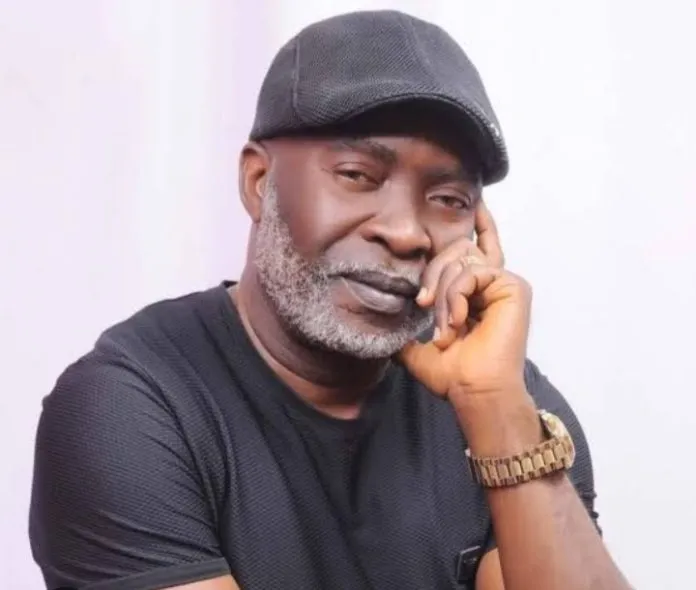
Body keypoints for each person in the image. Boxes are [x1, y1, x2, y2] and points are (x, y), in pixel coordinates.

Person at [29, 9, 631, 590]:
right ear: (259, 183)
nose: (406, 232)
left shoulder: (506, 399)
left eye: (448, 199)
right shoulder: (129, 408)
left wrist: (495, 409)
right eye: (357, 176)